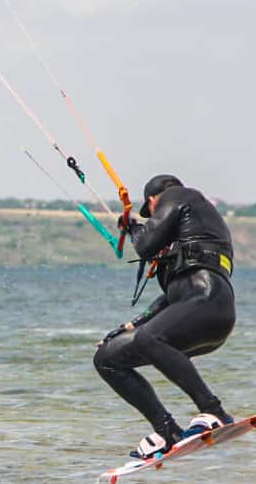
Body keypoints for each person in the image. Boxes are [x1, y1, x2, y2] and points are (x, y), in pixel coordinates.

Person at [94, 174, 237, 459]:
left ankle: (214, 411)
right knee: (107, 359)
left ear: (153, 199)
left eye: (152, 212)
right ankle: (167, 430)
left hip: (209, 302)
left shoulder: (179, 195)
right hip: (199, 314)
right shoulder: (183, 240)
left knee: (150, 337)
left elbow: (145, 245)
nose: (154, 217)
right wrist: (133, 323)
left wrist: (134, 226)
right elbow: (171, 299)